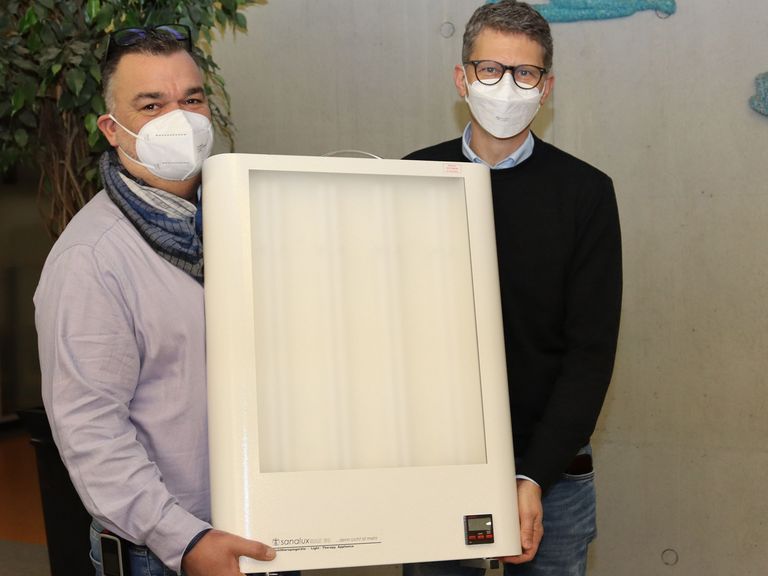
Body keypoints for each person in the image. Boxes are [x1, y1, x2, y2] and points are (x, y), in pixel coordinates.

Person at [34, 25, 278, 576]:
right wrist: (185, 540)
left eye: (192, 100)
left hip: (261, 526)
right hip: (166, 553)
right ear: (111, 129)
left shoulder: (238, 222)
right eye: (152, 105)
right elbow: (90, 430)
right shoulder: (92, 259)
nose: (180, 119)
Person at [403, 2, 622, 575]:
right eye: (490, 69)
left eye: (524, 73)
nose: (506, 86)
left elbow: (590, 354)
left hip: (554, 472)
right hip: (435, 466)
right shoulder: (412, 178)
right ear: (462, 78)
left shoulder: (586, 193)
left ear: (545, 87)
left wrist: (533, 475)